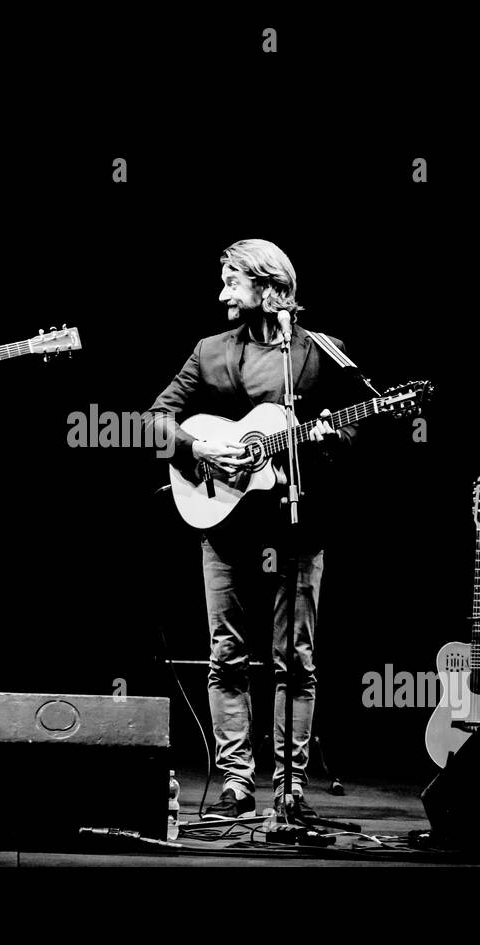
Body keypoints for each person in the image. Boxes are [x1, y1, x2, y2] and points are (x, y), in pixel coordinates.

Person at [147, 238, 362, 822]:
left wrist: (322, 442)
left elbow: (348, 434)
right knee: (226, 655)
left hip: (298, 523)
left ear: (270, 288)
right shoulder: (210, 350)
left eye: (232, 282)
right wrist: (204, 447)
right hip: (223, 521)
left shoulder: (322, 354)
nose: (222, 294)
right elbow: (156, 421)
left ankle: (290, 785)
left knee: (296, 657)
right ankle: (237, 784)